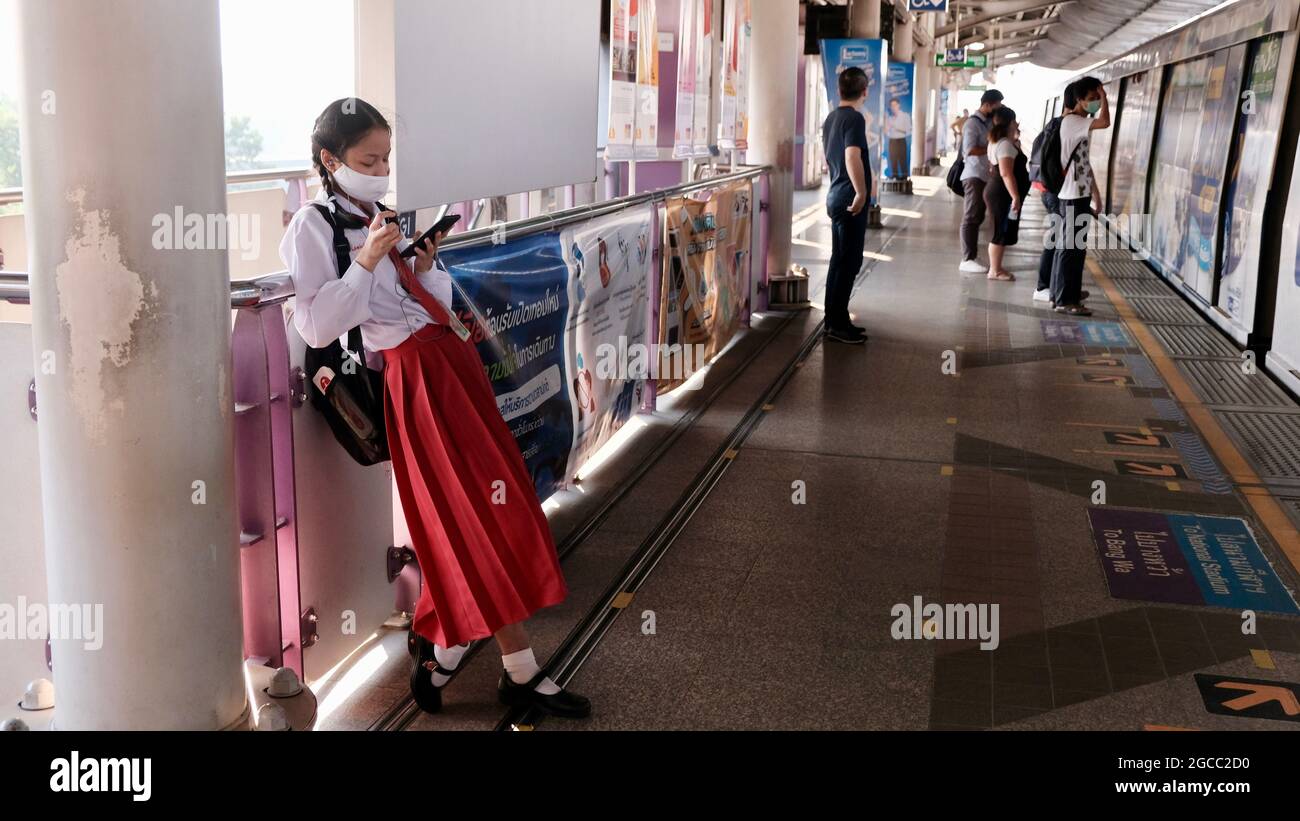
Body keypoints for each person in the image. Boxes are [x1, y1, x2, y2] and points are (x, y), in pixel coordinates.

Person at [281, 98, 589, 719]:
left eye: (386, 157)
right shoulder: (311, 228)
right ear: (329, 160)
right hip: (414, 383)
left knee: (497, 508)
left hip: (450, 367)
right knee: (472, 515)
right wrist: (367, 259)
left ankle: (447, 645)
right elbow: (317, 324)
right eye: (369, 159)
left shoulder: (380, 215)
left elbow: (426, 304)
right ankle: (511, 667)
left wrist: (424, 268)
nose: (381, 169)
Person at [822, 66, 876, 345]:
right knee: (849, 261)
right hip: (847, 197)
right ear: (865, 91)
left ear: (839, 90)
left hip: (835, 193)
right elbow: (852, 155)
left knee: (839, 260)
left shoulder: (832, 118)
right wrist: (861, 192)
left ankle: (834, 320)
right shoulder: (854, 118)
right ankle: (837, 324)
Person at [1050, 77, 1110, 316]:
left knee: (1074, 247)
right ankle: (1065, 299)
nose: (1096, 102)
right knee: (1071, 248)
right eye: (1092, 98)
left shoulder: (1078, 124)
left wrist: (1096, 194)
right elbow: (1105, 122)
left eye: (1098, 98)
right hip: (1073, 195)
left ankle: (1066, 293)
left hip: (1078, 193)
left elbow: (1083, 162)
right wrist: (1106, 97)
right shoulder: (1074, 121)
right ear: (1079, 100)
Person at [959, 90, 1004, 274]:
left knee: (977, 217)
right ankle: (967, 258)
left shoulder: (986, 122)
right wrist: (992, 147)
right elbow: (969, 150)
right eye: (996, 106)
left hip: (983, 175)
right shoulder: (972, 124)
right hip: (974, 175)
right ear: (987, 104)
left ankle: (972, 255)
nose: (997, 109)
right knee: (971, 216)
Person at [983, 107, 1024, 282]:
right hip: (1002, 192)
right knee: (999, 230)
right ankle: (995, 270)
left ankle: (997, 267)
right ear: (1011, 122)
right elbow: (1006, 173)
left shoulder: (998, 142)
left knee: (1000, 228)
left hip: (997, 190)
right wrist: (1015, 196)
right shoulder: (1005, 144)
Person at [885, 98, 913, 180]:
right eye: (891, 105)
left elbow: (907, 130)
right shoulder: (889, 118)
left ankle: (904, 176)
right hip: (892, 140)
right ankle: (894, 175)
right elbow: (887, 131)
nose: (893, 107)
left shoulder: (905, 116)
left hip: (901, 140)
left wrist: (895, 126)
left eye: (895, 105)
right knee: (893, 160)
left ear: (899, 105)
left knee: (902, 159)